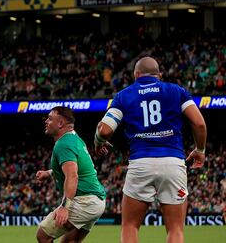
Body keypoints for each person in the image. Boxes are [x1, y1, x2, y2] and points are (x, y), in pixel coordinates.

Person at [94, 56, 208, 243]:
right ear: (159, 75)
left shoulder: (124, 95)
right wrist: (200, 150)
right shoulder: (176, 91)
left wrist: (98, 142)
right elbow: (199, 124)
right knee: (176, 230)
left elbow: (105, 130)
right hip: (173, 162)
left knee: (130, 226)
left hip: (141, 163)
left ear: (136, 75)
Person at [34, 106, 106, 243]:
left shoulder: (63, 144)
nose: (46, 121)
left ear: (60, 123)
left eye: (50, 118)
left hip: (84, 201)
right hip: (96, 201)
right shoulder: (74, 138)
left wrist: (64, 208)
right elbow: (75, 169)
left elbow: (72, 175)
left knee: (43, 235)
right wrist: (49, 173)